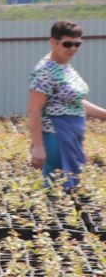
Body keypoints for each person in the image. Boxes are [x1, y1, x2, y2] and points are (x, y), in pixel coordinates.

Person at [28, 19, 106, 189]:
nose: (73, 49)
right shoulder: (45, 71)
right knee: (58, 189)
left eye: (77, 44)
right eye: (67, 44)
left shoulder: (64, 66)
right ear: (53, 42)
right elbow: (34, 111)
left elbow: (75, 101)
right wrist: (39, 147)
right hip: (57, 138)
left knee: (67, 188)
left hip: (71, 137)